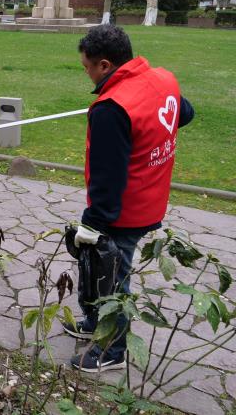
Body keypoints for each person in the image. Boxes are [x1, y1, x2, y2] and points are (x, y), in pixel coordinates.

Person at [64, 24, 194, 372]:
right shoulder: (163, 79)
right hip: (150, 197)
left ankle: (112, 350)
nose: (87, 73)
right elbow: (185, 114)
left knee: (112, 279)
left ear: (105, 65)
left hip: (123, 210)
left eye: (87, 67)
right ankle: (95, 323)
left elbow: (108, 176)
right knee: (101, 270)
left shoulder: (111, 108)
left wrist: (92, 223)